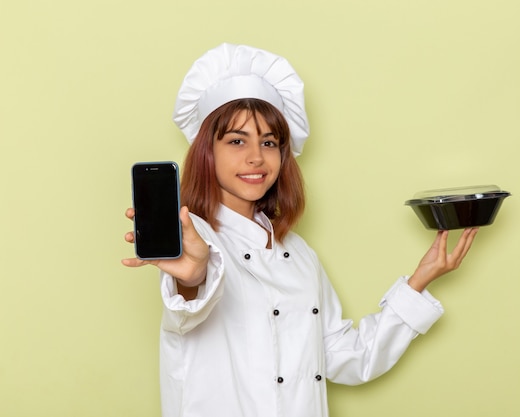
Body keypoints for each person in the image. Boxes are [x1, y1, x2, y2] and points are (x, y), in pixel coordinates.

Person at [122, 43, 478, 417]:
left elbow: (346, 358)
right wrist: (192, 278)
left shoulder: (300, 255)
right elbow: (188, 303)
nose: (256, 157)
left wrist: (420, 280)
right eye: (237, 140)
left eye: (270, 142)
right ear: (206, 151)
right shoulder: (194, 237)